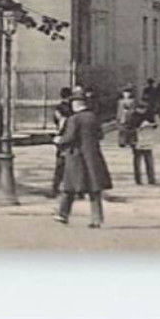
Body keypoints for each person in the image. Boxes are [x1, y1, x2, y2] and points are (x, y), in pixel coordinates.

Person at [54, 92, 112, 228]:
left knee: (69, 187)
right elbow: (100, 135)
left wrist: (58, 140)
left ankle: (63, 214)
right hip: (93, 156)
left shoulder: (74, 119)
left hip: (76, 157)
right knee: (94, 189)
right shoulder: (93, 117)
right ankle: (97, 219)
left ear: (75, 104)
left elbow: (69, 137)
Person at [51, 86, 75, 197]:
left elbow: (57, 121)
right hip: (71, 137)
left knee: (60, 164)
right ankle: (75, 188)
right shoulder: (72, 108)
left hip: (61, 137)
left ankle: (55, 187)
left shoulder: (59, 108)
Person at [130, 100, 158, 185]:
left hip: (147, 139)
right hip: (136, 139)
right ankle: (138, 179)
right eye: (141, 109)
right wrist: (139, 127)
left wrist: (151, 125)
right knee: (137, 160)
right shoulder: (132, 116)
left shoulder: (149, 115)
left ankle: (151, 178)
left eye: (144, 109)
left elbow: (154, 124)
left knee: (149, 159)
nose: (143, 111)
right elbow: (130, 127)